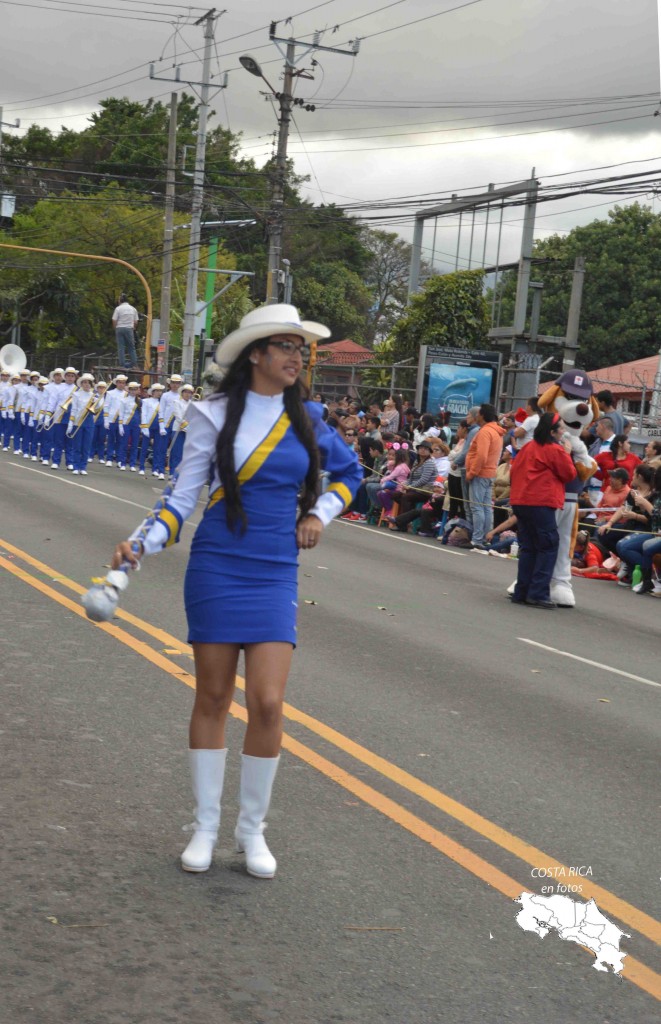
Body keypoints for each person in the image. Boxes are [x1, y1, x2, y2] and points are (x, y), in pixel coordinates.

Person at [110, 304, 362, 878]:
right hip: (219, 564)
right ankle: (205, 827)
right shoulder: (214, 414)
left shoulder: (311, 417)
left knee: (268, 701)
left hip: (275, 568)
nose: (297, 357)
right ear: (257, 354)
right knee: (213, 698)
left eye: (302, 349)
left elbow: (350, 476)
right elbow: (180, 500)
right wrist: (137, 545)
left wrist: (319, 513)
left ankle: (252, 832)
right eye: (286, 347)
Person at [509, 412, 577, 608]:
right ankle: (538, 593)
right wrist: (567, 452)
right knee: (548, 545)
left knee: (529, 546)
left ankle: (522, 590)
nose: (564, 432)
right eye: (561, 428)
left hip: (521, 500)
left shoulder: (529, 446)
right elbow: (569, 474)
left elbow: (515, 470)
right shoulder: (554, 449)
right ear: (553, 432)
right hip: (540, 501)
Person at [465, 403, 505, 550]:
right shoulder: (496, 431)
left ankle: (477, 539)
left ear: (481, 415)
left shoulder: (485, 432)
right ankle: (485, 537)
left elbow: (481, 455)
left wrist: (472, 472)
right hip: (491, 472)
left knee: (477, 507)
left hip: (481, 473)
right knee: (486, 507)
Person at [614, 466, 661, 594]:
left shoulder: (653, 494)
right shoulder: (656, 493)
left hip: (650, 530)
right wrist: (609, 523)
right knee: (615, 538)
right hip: (654, 530)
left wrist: (643, 503)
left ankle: (650, 578)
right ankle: (643, 578)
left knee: (643, 546)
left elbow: (656, 515)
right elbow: (652, 516)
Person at [112, 293, 139, 370]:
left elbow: (114, 319)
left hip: (119, 328)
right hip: (129, 329)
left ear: (120, 300)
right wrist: (133, 328)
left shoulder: (118, 309)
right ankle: (134, 364)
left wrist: (115, 328)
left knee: (121, 347)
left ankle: (122, 364)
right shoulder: (133, 309)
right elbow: (136, 321)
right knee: (131, 347)